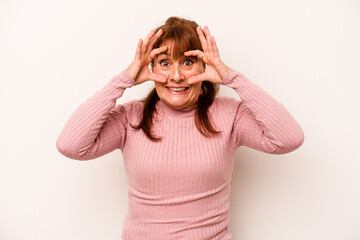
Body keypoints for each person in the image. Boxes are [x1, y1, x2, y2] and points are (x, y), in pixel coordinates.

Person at [56, 16, 304, 240]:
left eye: (187, 62)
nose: (176, 76)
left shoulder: (230, 115)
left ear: (203, 66)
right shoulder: (131, 118)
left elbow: (288, 138)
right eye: (165, 63)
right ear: (152, 69)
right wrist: (125, 79)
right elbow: (71, 146)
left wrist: (231, 78)